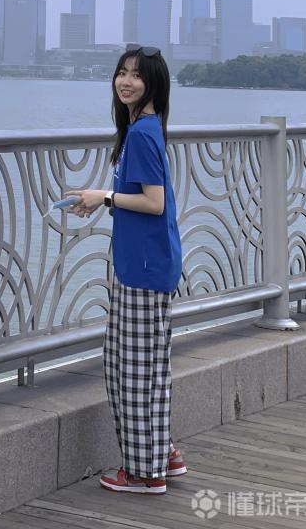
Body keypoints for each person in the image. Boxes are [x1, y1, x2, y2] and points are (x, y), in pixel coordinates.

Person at [65, 44, 184, 495]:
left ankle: (143, 473)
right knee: (145, 367)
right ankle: (162, 453)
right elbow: (143, 198)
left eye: (136, 75)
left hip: (144, 270)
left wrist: (107, 197)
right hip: (149, 265)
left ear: (153, 83)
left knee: (130, 373)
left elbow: (153, 203)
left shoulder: (143, 133)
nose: (126, 81)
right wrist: (101, 198)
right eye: (121, 73)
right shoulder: (144, 128)